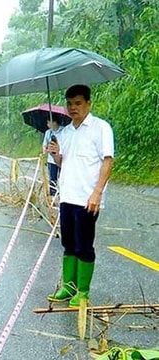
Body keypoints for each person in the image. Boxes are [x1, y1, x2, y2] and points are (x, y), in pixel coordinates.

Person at [46, 84, 114, 307]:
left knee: (84, 244)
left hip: (87, 198)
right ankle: (69, 286)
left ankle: (83, 292)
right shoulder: (65, 132)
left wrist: (97, 192)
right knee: (68, 243)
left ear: (88, 103)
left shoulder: (100, 128)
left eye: (77, 103)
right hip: (67, 196)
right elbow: (63, 163)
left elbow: (107, 160)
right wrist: (56, 154)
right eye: (69, 103)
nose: (73, 108)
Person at [42, 118, 64, 196]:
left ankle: (63, 196)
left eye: (48, 122)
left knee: (63, 179)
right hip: (51, 160)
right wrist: (46, 150)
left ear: (54, 122)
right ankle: (52, 198)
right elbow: (44, 145)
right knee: (52, 180)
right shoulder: (48, 132)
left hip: (62, 159)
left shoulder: (64, 131)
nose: (47, 125)